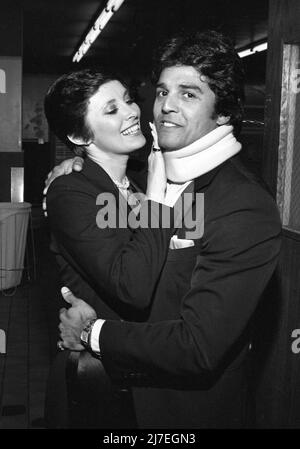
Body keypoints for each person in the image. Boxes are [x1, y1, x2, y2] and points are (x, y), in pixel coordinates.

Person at [56, 30, 281, 428]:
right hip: (118, 402)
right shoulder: (147, 175)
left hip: (184, 414)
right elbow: (114, 241)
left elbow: (197, 347)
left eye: (189, 94)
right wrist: (71, 172)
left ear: (224, 112)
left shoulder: (244, 205)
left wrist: (93, 332)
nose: (166, 107)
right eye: (162, 92)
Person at [44, 69, 183, 428]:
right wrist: (155, 199)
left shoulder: (136, 181)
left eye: (128, 99)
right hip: (100, 381)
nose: (131, 111)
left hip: (147, 372)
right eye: (111, 110)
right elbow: (133, 288)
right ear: (78, 135)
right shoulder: (70, 192)